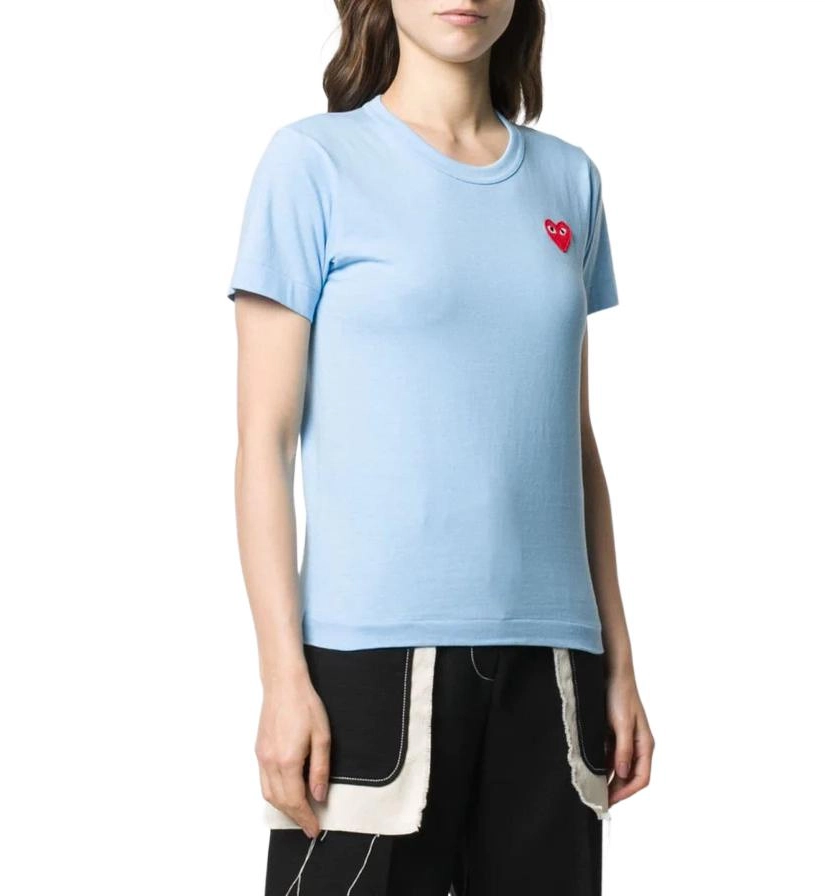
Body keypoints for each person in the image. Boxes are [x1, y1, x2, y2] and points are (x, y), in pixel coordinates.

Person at [226, 1, 654, 893]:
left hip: (553, 665)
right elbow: (264, 443)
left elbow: (572, 443)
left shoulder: (569, 180)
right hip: (367, 664)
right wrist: (282, 678)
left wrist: (619, 661)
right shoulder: (313, 163)